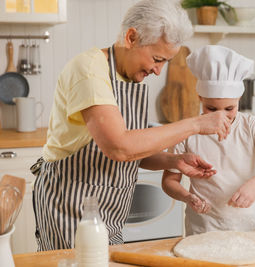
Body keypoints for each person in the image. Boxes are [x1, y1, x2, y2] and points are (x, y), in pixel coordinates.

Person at [31, 0, 232, 251]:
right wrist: (196, 124)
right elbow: (119, 148)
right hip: (70, 207)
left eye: (165, 62)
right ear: (131, 38)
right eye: (157, 59)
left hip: (110, 212)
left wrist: (172, 161)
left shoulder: (128, 77)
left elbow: (132, 152)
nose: (158, 71)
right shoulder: (89, 70)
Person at [162, 45, 255, 235]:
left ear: (239, 98)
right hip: (201, 230)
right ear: (200, 97)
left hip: (245, 229)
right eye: (211, 109)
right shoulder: (187, 130)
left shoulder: (251, 126)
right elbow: (169, 181)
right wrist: (188, 197)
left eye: (229, 109)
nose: (221, 117)